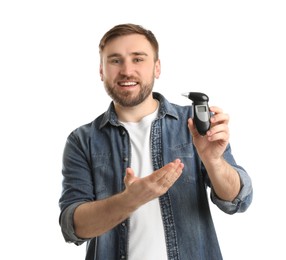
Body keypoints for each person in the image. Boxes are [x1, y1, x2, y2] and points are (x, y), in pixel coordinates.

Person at [59, 23, 253, 260]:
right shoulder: (82, 140)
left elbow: (237, 200)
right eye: (115, 60)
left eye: (138, 59)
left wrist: (213, 160)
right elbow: (73, 226)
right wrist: (129, 200)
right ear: (101, 70)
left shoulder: (193, 124)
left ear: (157, 67)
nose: (127, 70)